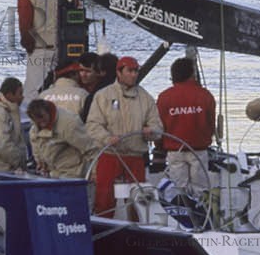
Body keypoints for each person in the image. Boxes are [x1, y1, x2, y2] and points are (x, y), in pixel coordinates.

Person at [85, 55, 163, 217]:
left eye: (136, 71)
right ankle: (103, 227)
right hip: (109, 155)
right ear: (119, 72)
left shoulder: (146, 98)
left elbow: (158, 127)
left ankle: (136, 228)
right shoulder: (103, 96)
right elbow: (92, 125)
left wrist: (151, 132)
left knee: (138, 203)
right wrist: (107, 138)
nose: (134, 75)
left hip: (135, 157)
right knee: (104, 200)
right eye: (130, 71)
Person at [155, 57, 216, 198]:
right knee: (201, 191)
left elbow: (159, 127)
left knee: (178, 191)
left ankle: (181, 209)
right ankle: (201, 210)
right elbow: (211, 124)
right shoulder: (205, 95)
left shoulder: (164, 97)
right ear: (192, 73)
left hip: (174, 151)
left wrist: (159, 146)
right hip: (199, 151)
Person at [26, 98, 97, 182]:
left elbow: (90, 149)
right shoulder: (35, 128)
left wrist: (95, 172)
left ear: (48, 111)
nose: (42, 124)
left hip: (74, 173)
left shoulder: (69, 124)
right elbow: (36, 144)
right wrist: (40, 162)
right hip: (52, 173)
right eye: (38, 122)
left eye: (43, 119)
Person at [17, 0, 56, 99]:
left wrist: (29, 46)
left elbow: (25, 25)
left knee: (33, 92)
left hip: (40, 49)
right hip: (62, 49)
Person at [79, 53, 119, 123]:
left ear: (101, 72)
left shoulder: (94, 96)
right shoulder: (119, 92)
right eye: (81, 70)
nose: (83, 75)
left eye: (88, 71)